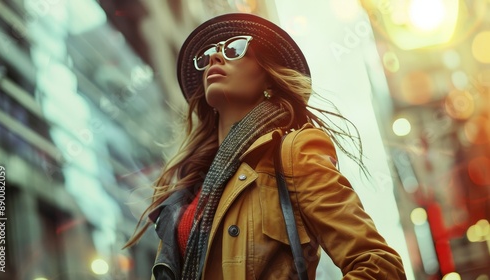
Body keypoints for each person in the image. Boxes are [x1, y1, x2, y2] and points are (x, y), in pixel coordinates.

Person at [125, 13, 407, 280]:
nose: (216, 56)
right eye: (209, 53)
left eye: (235, 48)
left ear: (268, 77)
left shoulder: (292, 153)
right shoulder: (188, 190)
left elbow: (379, 265)